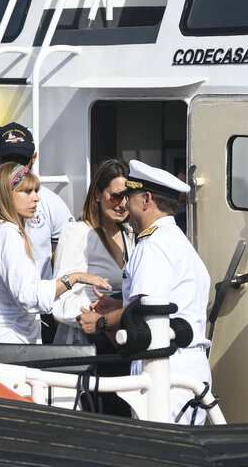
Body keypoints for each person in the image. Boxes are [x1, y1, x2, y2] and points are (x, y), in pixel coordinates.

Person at [78, 160, 212, 425]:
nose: (124, 203)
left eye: (129, 196)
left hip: (165, 368)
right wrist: (115, 304)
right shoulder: (177, 241)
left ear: (146, 199)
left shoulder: (153, 245)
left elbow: (148, 309)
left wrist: (101, 322)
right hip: (186, 366)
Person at [0, 122, 73, 342]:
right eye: (9, 161)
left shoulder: (51, 204)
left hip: (36, 315)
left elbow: (66, 256)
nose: (15, 168)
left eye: (22, 161)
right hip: (7, 321)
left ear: (33, 158)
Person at [0, 162, 111, 344]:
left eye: (36, 191)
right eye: (28, 191)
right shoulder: (7, 235)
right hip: (9, 342)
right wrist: (75, 277)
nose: (36, 198)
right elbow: (28, 297)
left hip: (1, 337)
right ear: (6, 195)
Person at [52, 158, 134, 345]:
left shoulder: (130, 234)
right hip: (85, 342)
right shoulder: (77, 232)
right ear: (97, 194)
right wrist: (96, 315)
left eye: (128, 197)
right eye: (115, 196)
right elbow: (61, 296)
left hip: (121, 339)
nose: (122, 204)